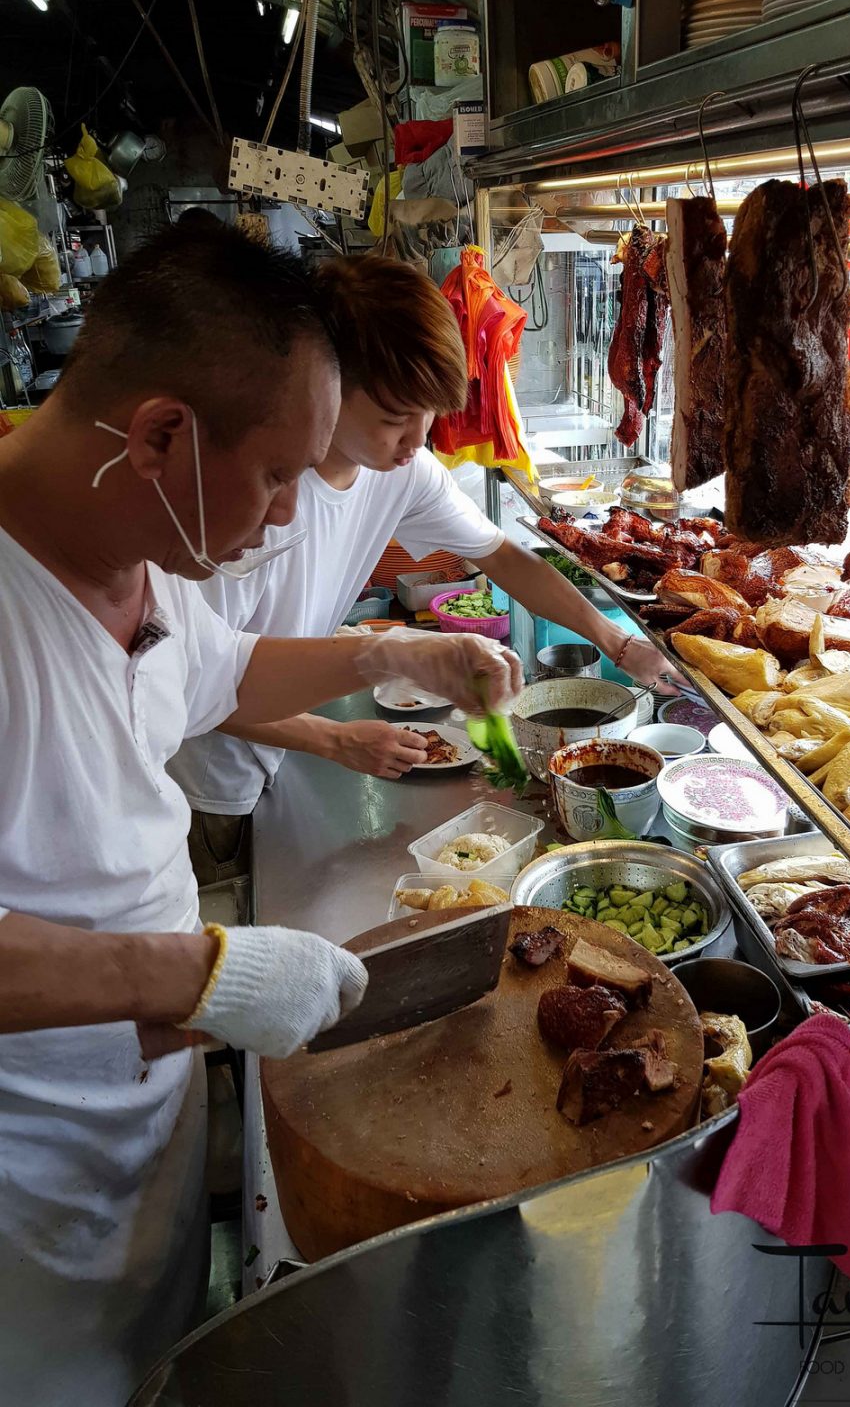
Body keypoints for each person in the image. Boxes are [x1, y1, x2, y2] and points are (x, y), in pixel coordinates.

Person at [0, 222, 522, 1404]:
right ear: (161, 436)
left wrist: (401, 654)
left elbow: (221, 673)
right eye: (282, 473)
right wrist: (193, 975)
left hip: (135, 1145)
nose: (291, 516)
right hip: (22, 1209)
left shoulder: (134, 559)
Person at [171, 252, 678, 875]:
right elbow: (199, 682)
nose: (417, 441)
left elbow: (505, 559)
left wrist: (617, 644)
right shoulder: (250, 502)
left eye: (430, 414)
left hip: (289, 739)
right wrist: (333, 737)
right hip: (214, 775)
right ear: (325, 384)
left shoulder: (401, 471)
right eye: (393, 418)